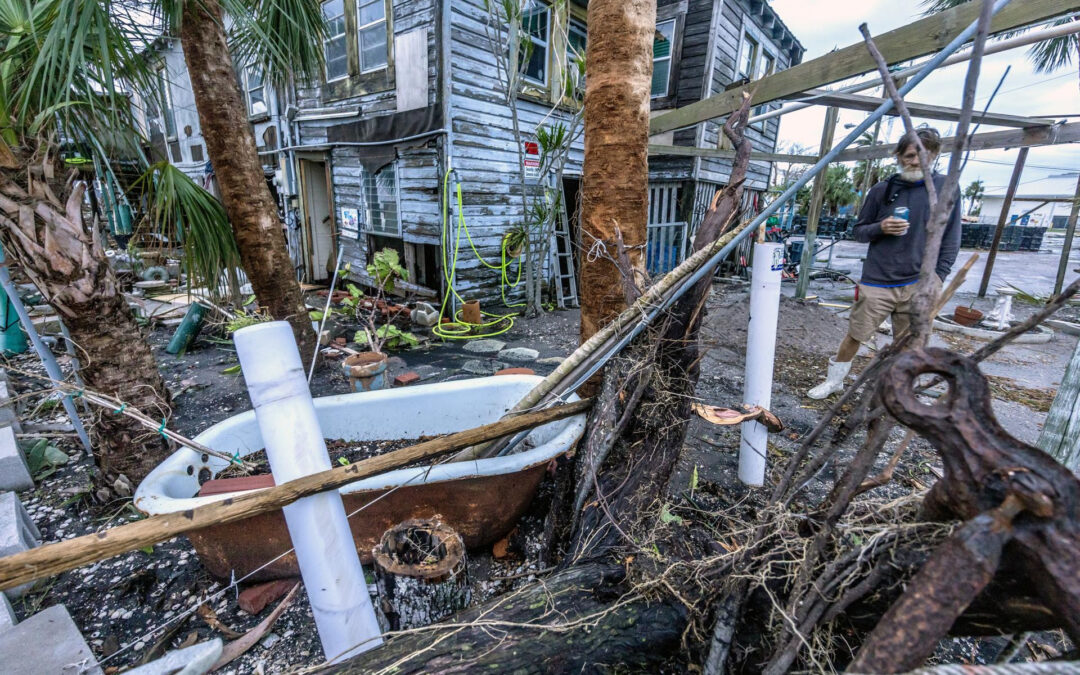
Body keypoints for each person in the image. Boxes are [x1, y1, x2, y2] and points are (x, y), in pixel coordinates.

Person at [807, 127, 961, 399]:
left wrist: (939, 277)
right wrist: (881, 227)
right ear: (899, 155)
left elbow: (952, 237)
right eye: (910, 156)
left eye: (923, 156)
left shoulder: (946, 188)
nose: (915, 162)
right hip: (879, 280)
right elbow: (859, 231)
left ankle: (898, 390)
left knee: (909, 343)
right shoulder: (883, 190)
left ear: (935, 155)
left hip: (919, 281)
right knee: (856, 334)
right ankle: (835, 381)